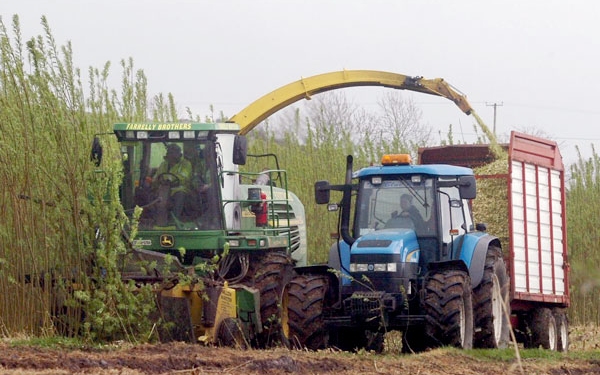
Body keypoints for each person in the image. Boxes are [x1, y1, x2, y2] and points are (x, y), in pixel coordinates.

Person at [153, 143, 192, 220]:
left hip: (179, 189)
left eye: (173, 154)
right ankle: (153, 220)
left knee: (180, 196)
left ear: (179, 155)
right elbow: (157, 176)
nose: (171, 157)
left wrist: (170, 180)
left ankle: (175, 220)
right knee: (150, 195)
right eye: (170, 154)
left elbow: (184, 177)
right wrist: (157, 181)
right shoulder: (164, 164)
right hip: (163, 189)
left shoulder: (186, 164)